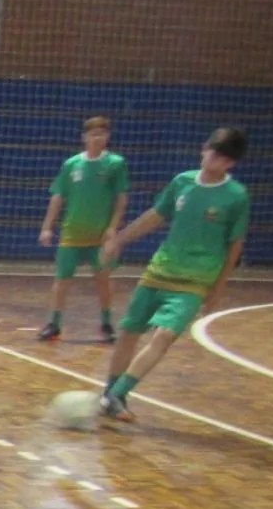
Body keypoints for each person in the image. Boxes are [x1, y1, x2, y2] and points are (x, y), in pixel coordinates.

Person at [95, 128, 249, 423]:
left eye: (222, 158)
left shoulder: (236, 197)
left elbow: (235, 245)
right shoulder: (182, 182)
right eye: (212, 151)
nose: (214, 159)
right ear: (204, 148)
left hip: (194, 282)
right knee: (129, 333)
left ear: (230, 163)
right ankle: (109, 393)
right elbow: (156, 215)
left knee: (164, 335)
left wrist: (219, 288)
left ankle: (119, 393)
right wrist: (119, 240)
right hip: (160, 270)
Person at [37, 115, 129, 342]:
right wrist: (47, 227)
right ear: (84, 137)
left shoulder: (115, 164)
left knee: (103, 280)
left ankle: (107, 324)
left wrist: (113, 228)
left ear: (107, 137)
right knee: (62, 280)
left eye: (102, 134)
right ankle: (54, 324)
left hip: (99, 236)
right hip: (72, 233)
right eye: (92, 134)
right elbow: (58, 196)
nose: (97, 138)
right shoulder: (71, 165)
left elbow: (121, 199)